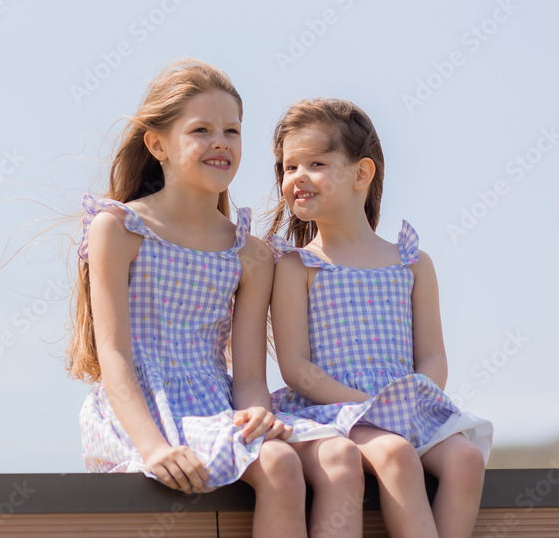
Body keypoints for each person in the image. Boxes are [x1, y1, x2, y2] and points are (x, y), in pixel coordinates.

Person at [67, 59, 359, 537]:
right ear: (158, 145)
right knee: (281, 464)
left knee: (314, 458)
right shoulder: (118, 229)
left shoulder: (251, 253)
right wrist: (154, 448)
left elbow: (249, 376)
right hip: (143, 413)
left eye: (232, 131)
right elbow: (114, 358)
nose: (221, 141)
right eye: (201, 130)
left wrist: (259, 410)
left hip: (217, 406)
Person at [268, 98, 493, 537]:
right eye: (289, 167)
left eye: (315, 163)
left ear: (361, 174)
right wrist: (364, 405)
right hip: (335, 411)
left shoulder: (412, 263)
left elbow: (432, 355)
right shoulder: (297, 267)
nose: (297, 177)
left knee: (466, 458)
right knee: (395, 454)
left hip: (408, 408)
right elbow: (295, 366)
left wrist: (415, 398)